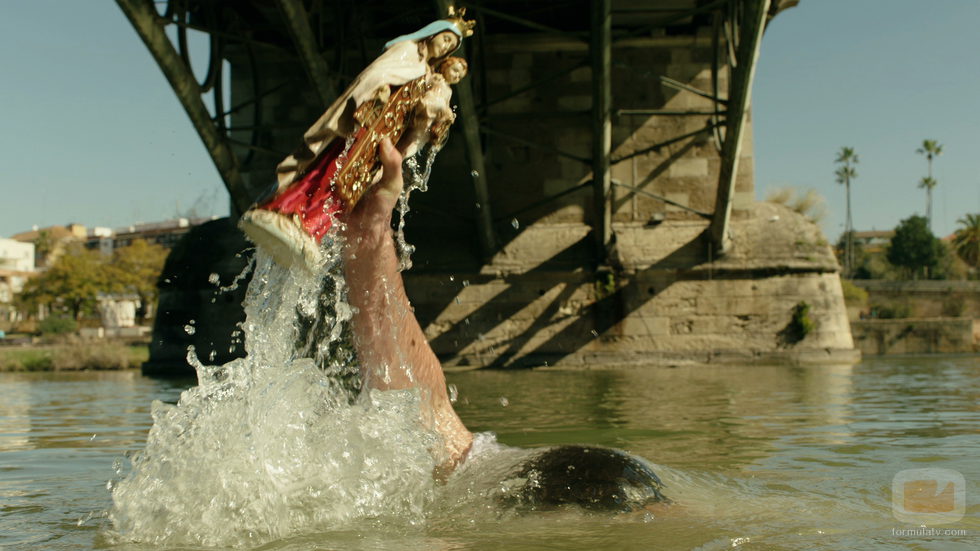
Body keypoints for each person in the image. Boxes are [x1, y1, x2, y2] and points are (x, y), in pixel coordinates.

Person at [239, 14, 474, 270]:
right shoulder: (406, 52)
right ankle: (289, 213)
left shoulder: (429, 75)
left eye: (450, 46)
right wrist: (380, 92)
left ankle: (312, 230)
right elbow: (378, 76)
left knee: (351, 187)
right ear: (432, 33)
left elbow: (419, 116)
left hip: (384, 137)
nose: (444, 47)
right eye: (445, 39)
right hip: (367, 125)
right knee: (333, 170)